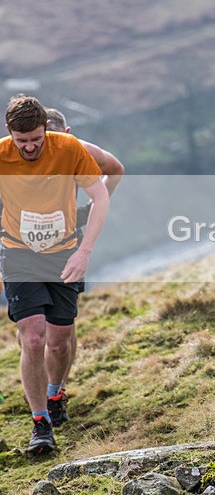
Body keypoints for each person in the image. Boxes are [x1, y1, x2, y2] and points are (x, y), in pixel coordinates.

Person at [0, 95, 110, 454]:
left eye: (35, 138)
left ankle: (55, 393)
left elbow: (100, 196)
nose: (29, 146)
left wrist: (83, 252)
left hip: (63, 252)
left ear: (46, 128)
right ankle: (40, 424)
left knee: (59, 341)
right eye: (22, 141)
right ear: (9, 133)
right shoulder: (2, 156)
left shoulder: (68, 148)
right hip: (19, 253)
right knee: (33, 337)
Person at [42, 107, 125, 428]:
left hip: (66, 243)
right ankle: (42, 389)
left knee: (63, 323)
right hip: (20, 243)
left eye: (57, 133)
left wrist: (92, 205)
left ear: (68, 132)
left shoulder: (78, 149)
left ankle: (58, 388)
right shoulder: (21, 150)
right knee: (32, 329)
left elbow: (116, 168)